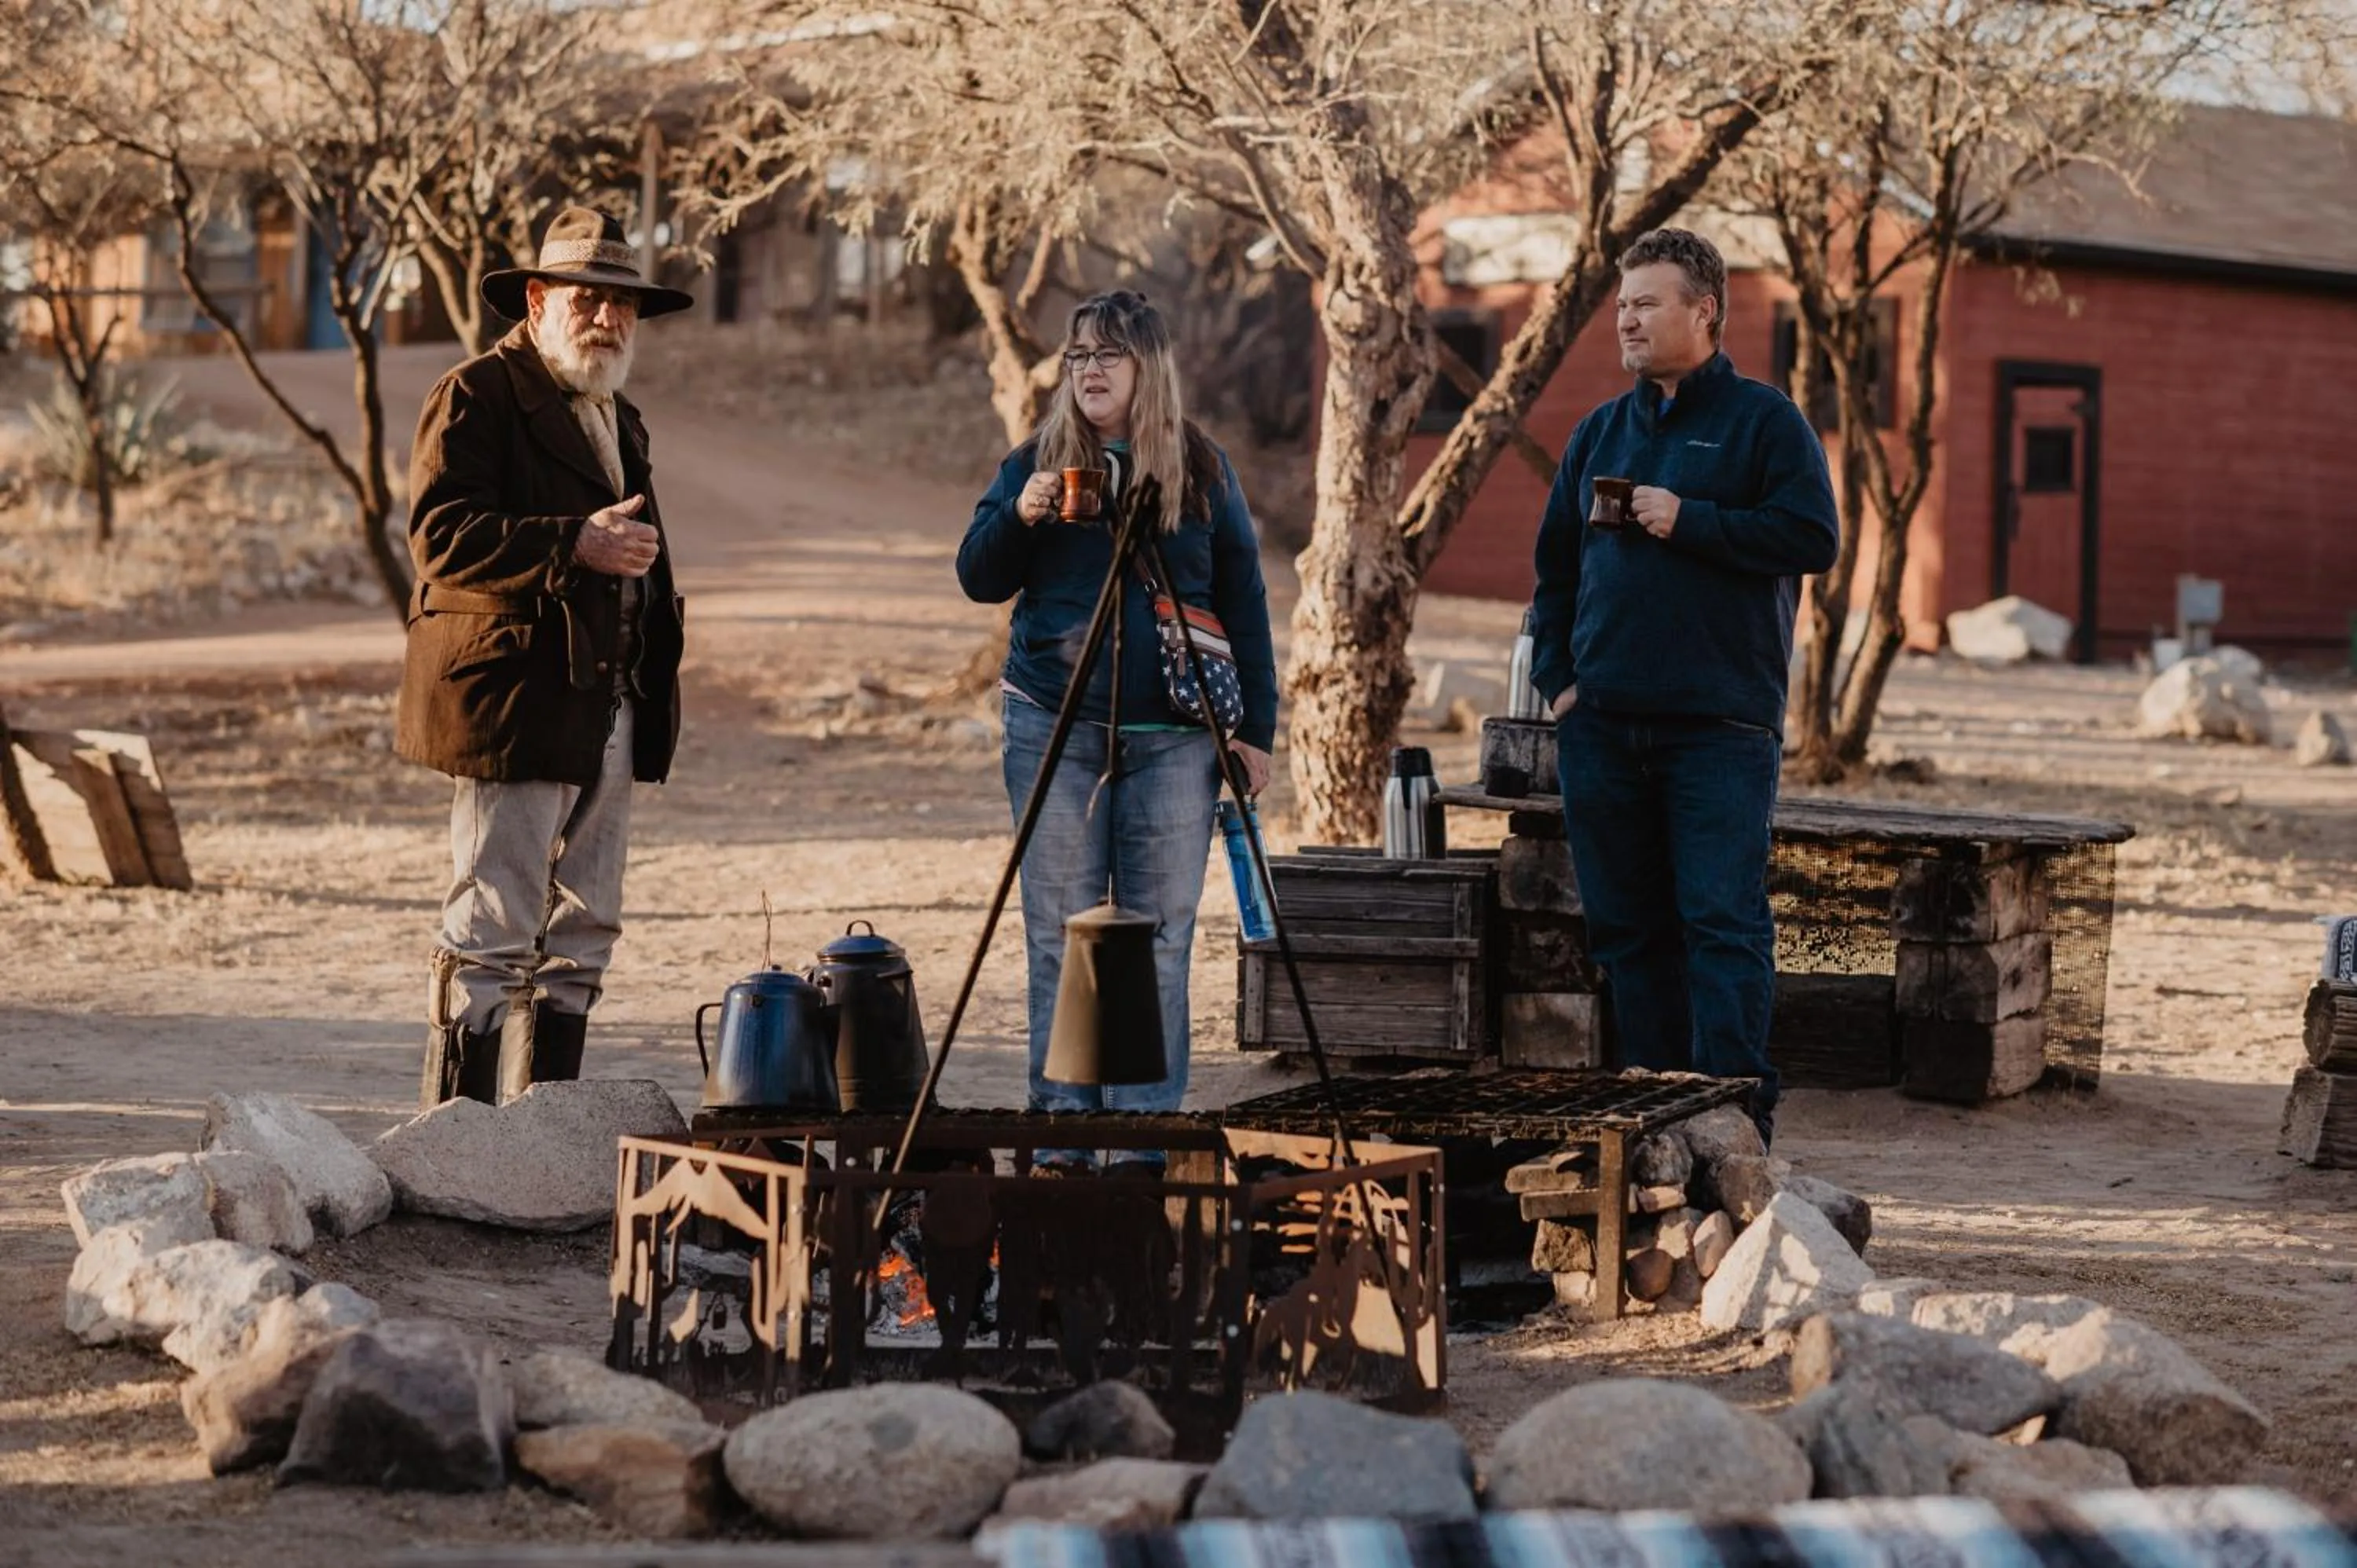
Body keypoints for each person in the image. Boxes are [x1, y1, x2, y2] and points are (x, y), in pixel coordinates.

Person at [1527, 228, 1839, 1144]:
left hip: (1719, 728)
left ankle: (1736, 1122)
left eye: (1647, 303)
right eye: (1623, 304)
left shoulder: (1764, 422)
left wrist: (1688, 518)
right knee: (1627, 932)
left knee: (1720, 924)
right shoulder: (1599, 432)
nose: (1627, 318)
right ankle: (1652, 1119)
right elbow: (1552, 573)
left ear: (1704, 311)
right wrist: (1561, 683)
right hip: (1602, 728)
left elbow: (1810, 538)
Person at [958, 290, 1278, 1171]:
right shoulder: (1039, 460)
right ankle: (1063, 1134)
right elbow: (978, 578)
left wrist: (1256, 729)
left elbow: (1243, 599)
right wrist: (1015, 514)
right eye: (1078, 356)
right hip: (1051, 727)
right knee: (1057, 930)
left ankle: (1140, 1139)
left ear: (1149, 368)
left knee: (1160, 935)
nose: (1089, 370)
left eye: (1108, 355)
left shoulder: (1201, 470)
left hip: (1175, 734)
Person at [397, 205, 695, 1108]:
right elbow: (441, 539)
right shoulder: (476, 395)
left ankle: (542, 1136)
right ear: (537, 298)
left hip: (608, 698)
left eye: (623, 306)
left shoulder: (617, 413)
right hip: (517, 700)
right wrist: (574, 544)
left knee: (585, 928)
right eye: (588, 300)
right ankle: (458, 1140)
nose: (607, 320)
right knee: (493, 922)